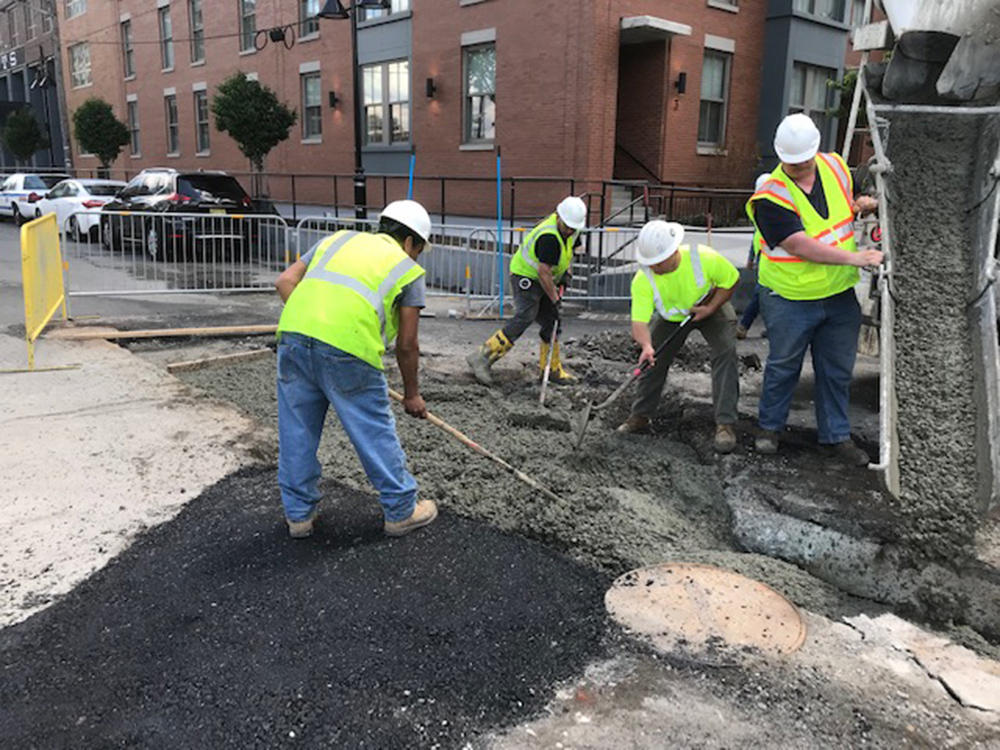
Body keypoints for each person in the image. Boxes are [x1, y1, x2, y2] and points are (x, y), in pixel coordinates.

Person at [273, 200, 438, 539]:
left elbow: (285, 281)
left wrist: (315, 326)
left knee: (297, 431)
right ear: (410, 243)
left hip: (293, 339)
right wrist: (412, 395)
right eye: (419, 250)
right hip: (348, 350)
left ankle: (299, 517)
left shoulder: (336, 240)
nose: (416, 257)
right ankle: (401, 510)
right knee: (373, 430)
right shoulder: (407, 269)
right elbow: (407, 344)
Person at [747, 113, 882, 463]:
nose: (799, 167)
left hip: (837, 296)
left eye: (804, 160)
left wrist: (861, 205)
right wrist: (857, 259)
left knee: (837, 369)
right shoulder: (769, 197)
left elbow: (837, 210)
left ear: (815, 151)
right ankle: (769, 428)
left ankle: (835, 436)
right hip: (790, 298)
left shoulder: (835, 167)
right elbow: (800, 245)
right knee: (783, 366)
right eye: (791, 162)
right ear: (781, 157)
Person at [617, 220, 741, 454]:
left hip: (708, 306)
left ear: (673, 251)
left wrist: (711, 308)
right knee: (652, 361)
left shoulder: (704, 257)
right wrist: (645, 345)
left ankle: (725, 423)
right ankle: (640, 416)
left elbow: (731, 280)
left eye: (657, 261)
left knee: (725, 353)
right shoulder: (643, 279)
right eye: (649, 262)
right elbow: (639, 322)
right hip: (673, 317)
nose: (653, 267)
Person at [466, 196, 587, 386]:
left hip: (544, 277)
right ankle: (482, 357)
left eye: (574, 227)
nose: (570, 230)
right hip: (526, 276)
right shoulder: (549, 237)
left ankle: (552, 369)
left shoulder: (571, 230)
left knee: (552, 321)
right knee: (526, 316)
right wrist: (555, 298)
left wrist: (566, 273)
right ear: (558, 217)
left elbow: (572, 250)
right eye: (567, 226)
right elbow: (544, 273)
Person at [735, 173, 772, 340]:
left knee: (761, 293)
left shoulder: (774, 211)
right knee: (764, 294)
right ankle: (770, 327)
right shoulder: (760, 210)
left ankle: (744, 326)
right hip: (763, 257)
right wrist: (751, 257)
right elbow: (757, 236)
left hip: (772, 259)